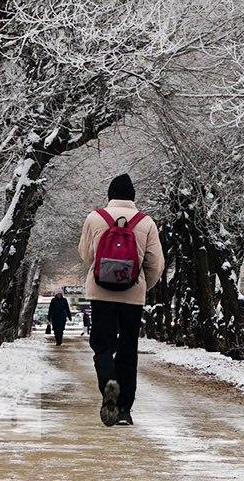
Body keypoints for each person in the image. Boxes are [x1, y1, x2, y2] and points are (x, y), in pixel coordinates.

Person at [77, 173, 164, 428]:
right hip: (132, 296)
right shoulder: (146, 222)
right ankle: (124, 409)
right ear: (133, 198)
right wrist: (141, 284)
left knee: (102, 345)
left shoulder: (95, 218)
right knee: (128, 349)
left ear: (109, 195)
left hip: (101, 293)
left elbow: (85, 255)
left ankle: (108, 384)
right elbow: (155, 264)